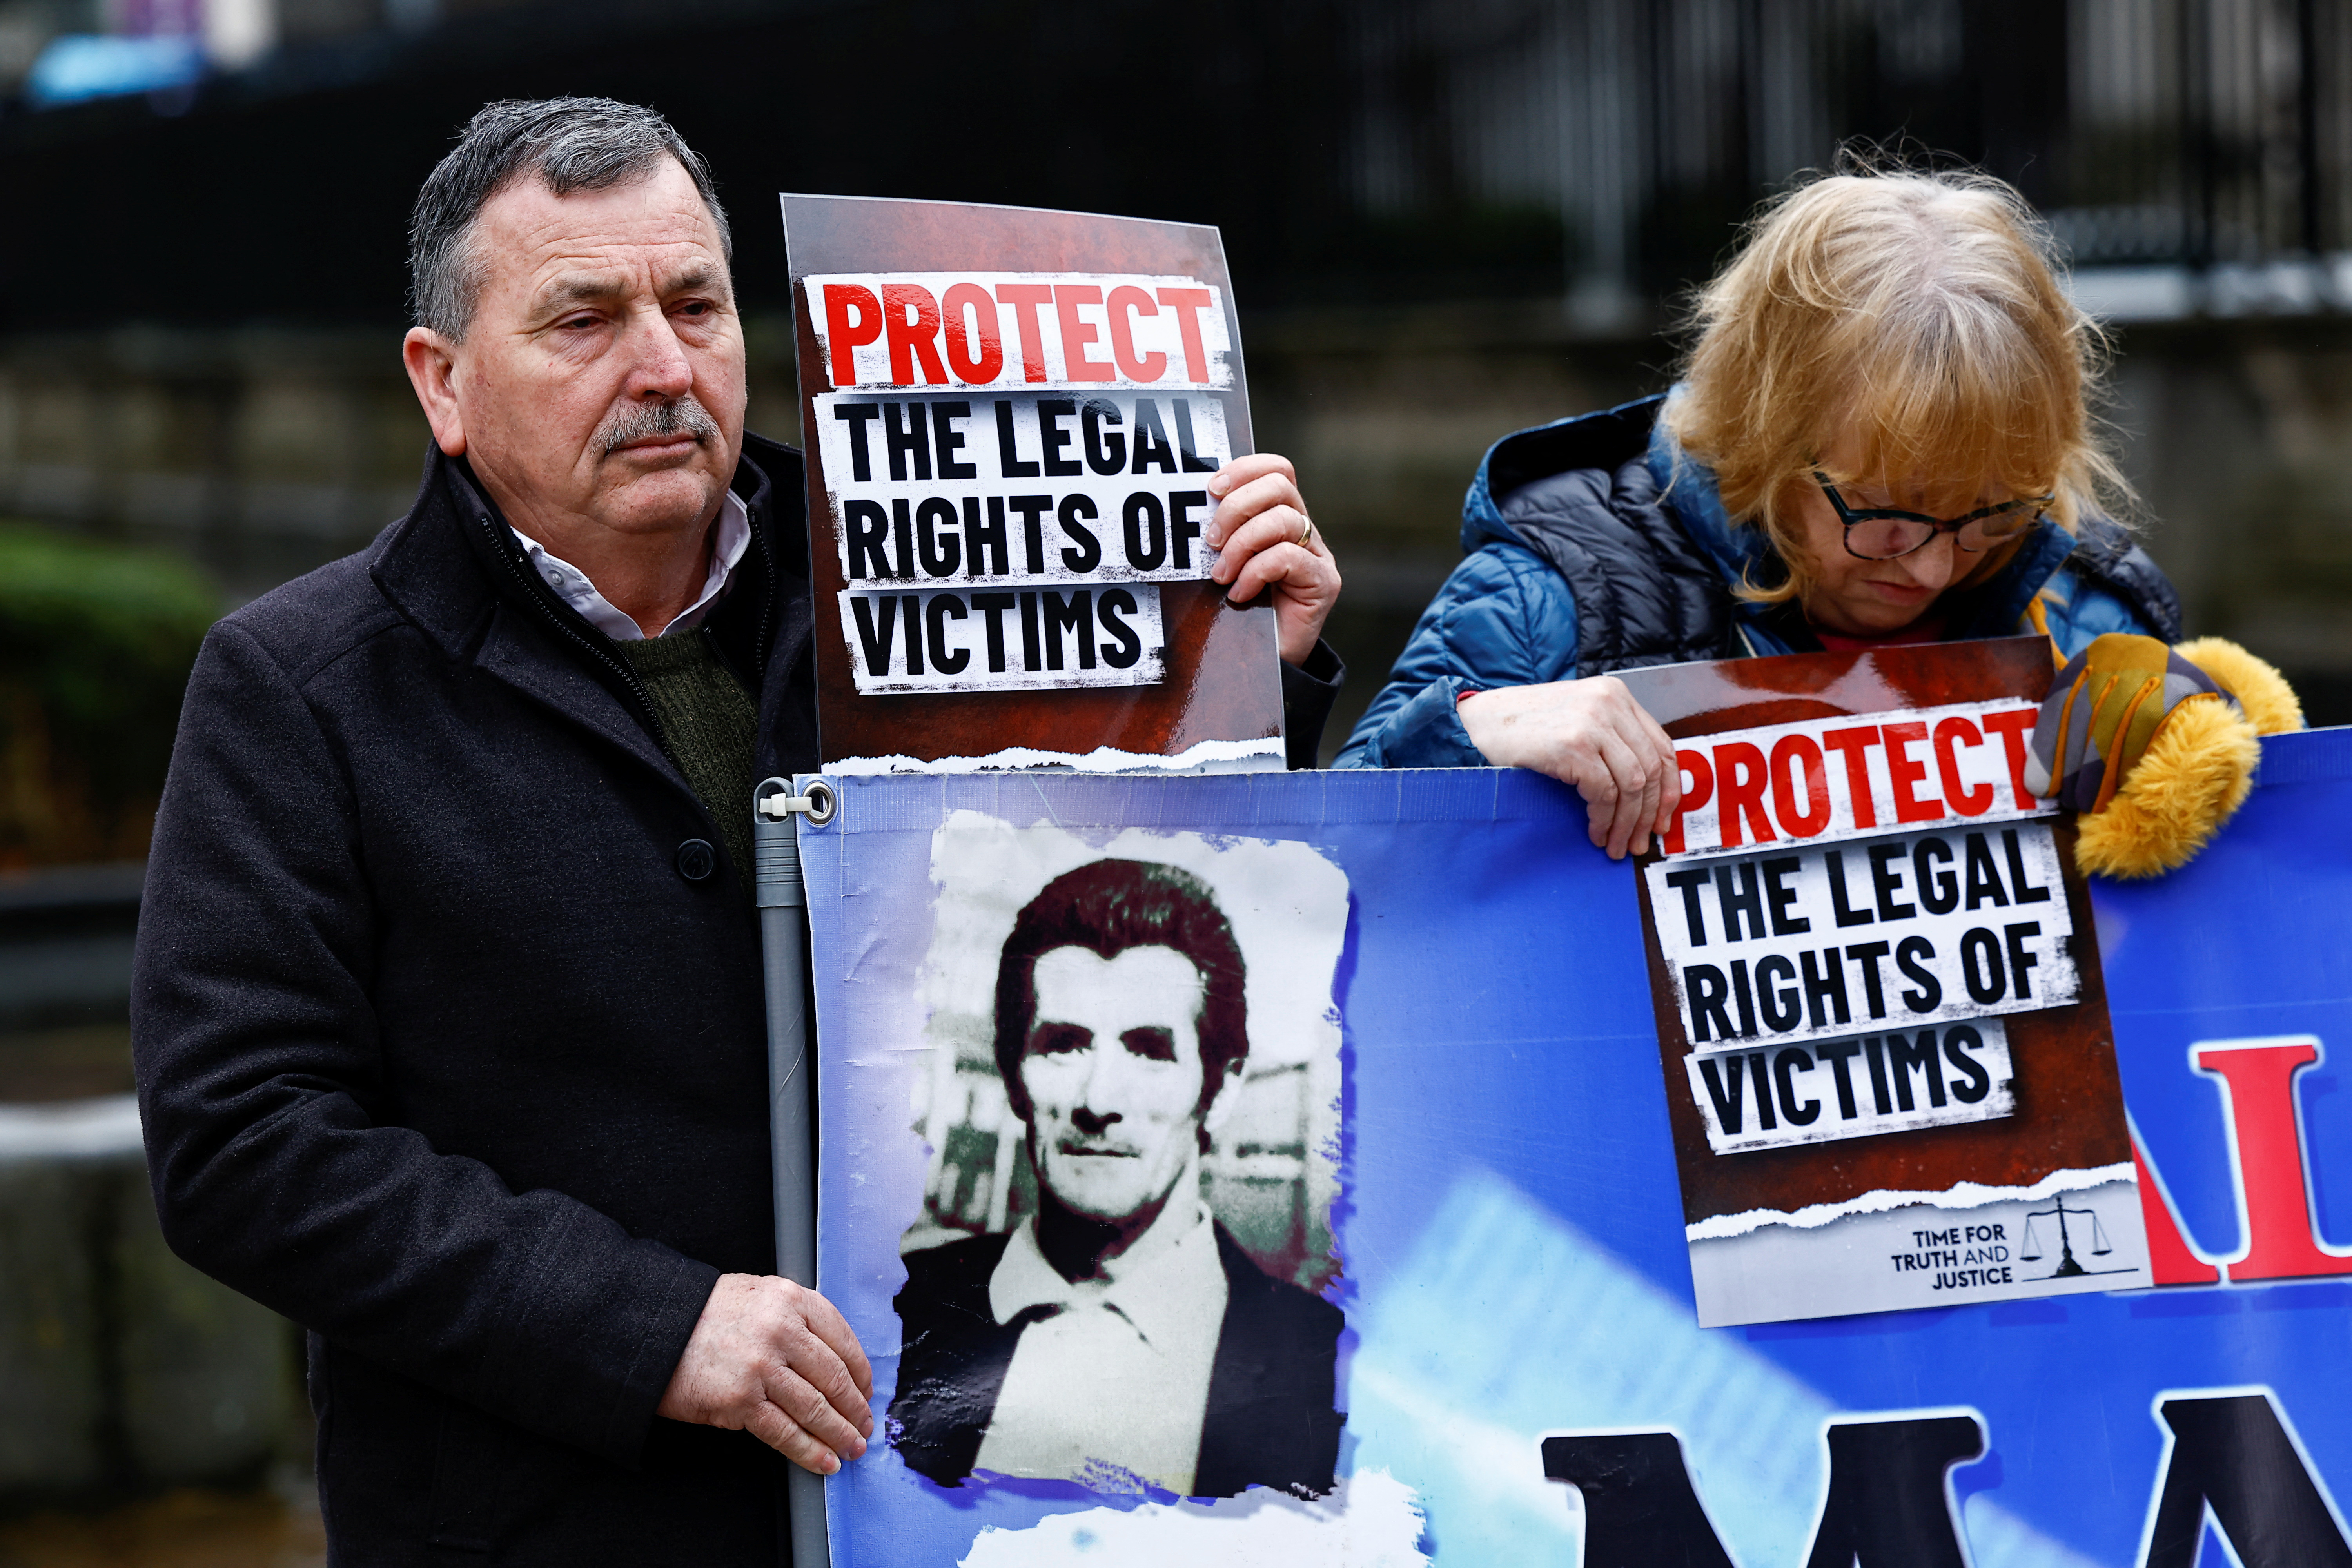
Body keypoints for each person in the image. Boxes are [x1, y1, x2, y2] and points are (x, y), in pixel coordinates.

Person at [129, 98, 1343, 1564]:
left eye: (695, 303)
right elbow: (244, 1144)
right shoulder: (299, 688)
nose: (663, 367)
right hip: (542, 1522)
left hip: (951, 1508)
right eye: (584, 319)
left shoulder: (932, 584)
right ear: (442, 384)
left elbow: (1127, 901)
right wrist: (653, 1328)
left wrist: (1247, 679)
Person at [1334, 165, 2299, 877]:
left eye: (1987, 517)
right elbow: (1332, 882)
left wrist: (2222, 753)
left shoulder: (2086, 604)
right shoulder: (1554, 589)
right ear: (1760, 432)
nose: (1928, 568)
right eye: (1883, 514)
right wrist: (1474, 731)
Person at [888, 858, 1343, 1498]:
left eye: (1150, 1050)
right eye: (1064, 1043)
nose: (1099, 1099)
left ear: (1220, 1089)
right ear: (1014, 1074)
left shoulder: (1327, 1363)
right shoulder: (896, 1314)